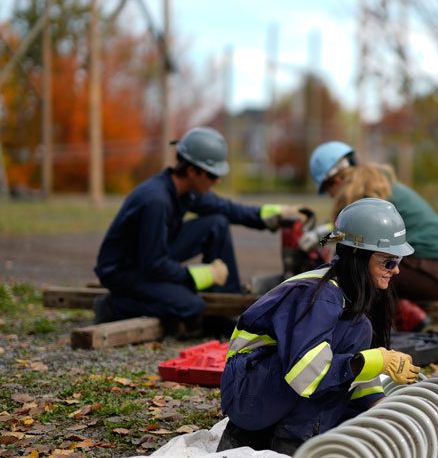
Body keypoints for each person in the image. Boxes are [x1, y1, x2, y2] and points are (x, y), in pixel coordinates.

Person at [216, 198, 420, 455]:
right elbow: (305, 374)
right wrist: (371, 361)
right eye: (387, 262)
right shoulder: (321, 296)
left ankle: (280, 432)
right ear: (357, 256)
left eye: (398, 260)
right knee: (343, 356)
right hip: (248, 394)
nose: (396, 270)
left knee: (359, 332)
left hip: (266, 387)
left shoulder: (349, 300)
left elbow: (355, 375)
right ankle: (291, 440)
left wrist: (380, 407)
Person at [93, 126, 301, 335]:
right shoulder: (156, 201)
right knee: (190, 305)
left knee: (217, 223)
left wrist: (274, 214)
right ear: (192, 171)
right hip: (123, 270)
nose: (217, 180)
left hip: (148, 255)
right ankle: (112, 305)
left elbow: (227, 209)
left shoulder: (187, 191)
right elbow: (154, 264)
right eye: (212, 175)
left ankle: (223, 309)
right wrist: (202, 275)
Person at [309, 141, 438, 331]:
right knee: (372, 262)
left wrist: (319, 241)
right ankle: (404, 310)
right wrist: (322, 234)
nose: (331, 196)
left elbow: (345, 237)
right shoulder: (377, 184)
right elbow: (343, 228)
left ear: (335, 181)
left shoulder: (362, 197)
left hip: (430, 272)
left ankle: (394, 319)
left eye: (328, 190)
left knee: (355, 271)